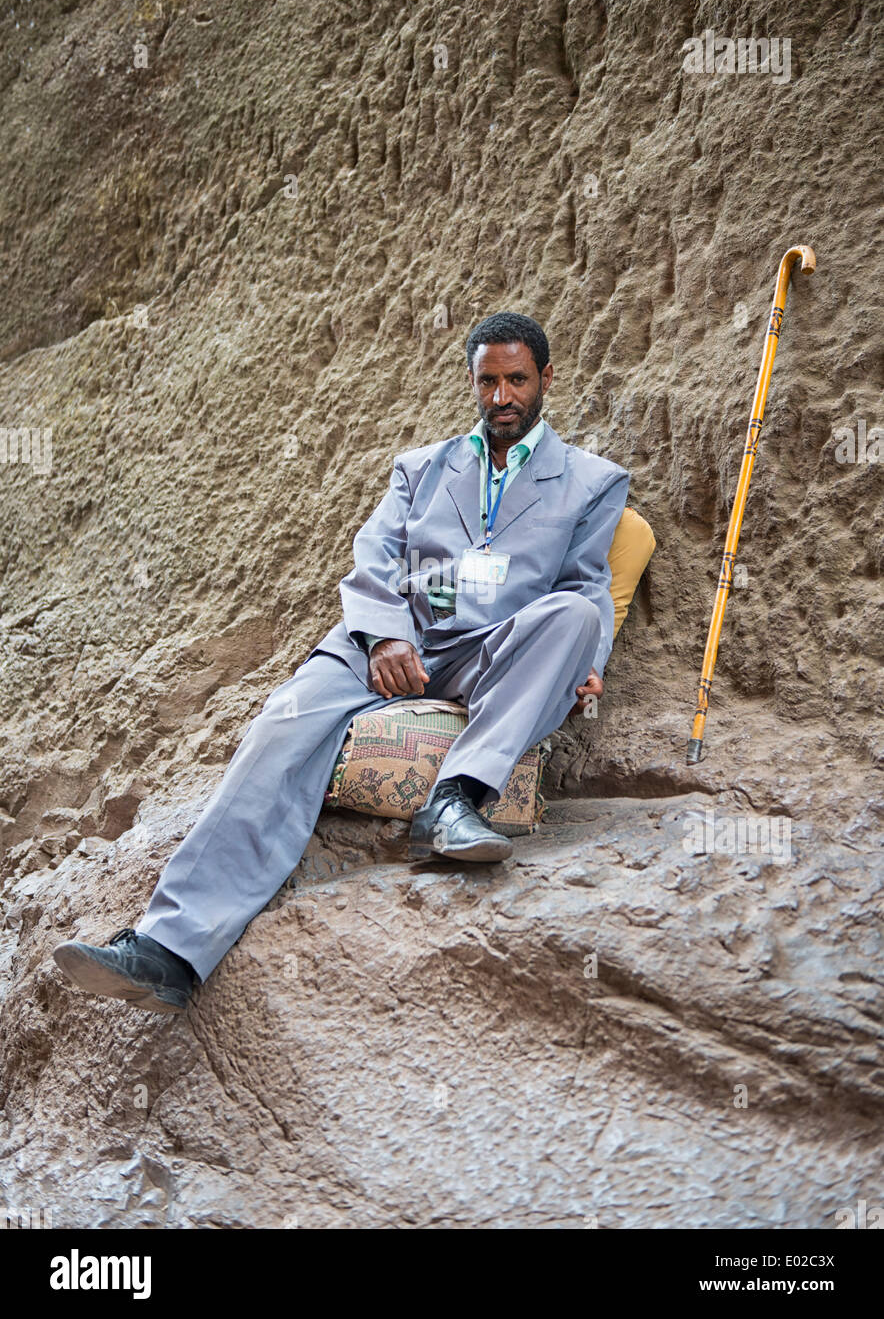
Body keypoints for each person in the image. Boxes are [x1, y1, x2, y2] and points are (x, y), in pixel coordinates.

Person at [53, 312, 629, 1014]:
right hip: (392, 643)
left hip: (495, 650)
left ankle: (453, 803)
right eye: (488, 381)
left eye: (516, 380)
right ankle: (167, 952)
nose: (501, 396)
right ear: (472, 383)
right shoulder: (420, 468)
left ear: (544, 380)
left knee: (571, 617)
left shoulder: (593, 482)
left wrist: (586, 661)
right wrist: (386, 637)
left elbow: (585, 585)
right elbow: (375, 556)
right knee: (282, 723)